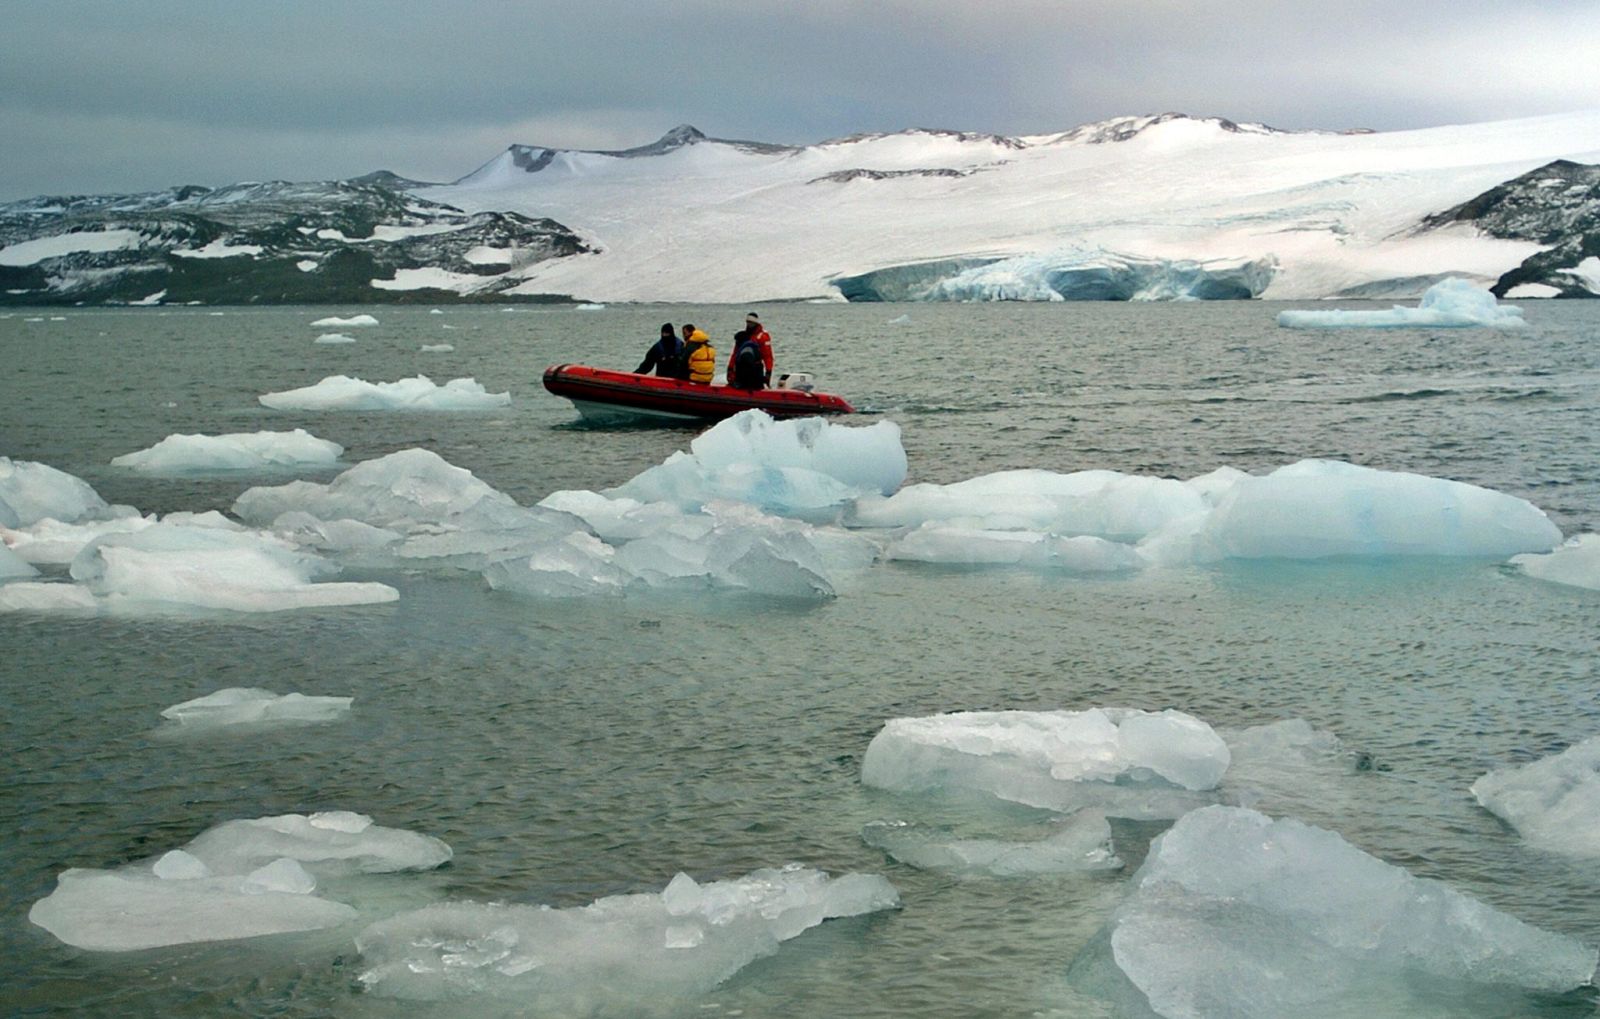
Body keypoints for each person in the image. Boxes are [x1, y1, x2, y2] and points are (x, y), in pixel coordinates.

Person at [726, 311, 773, 390]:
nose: (748, 324)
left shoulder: (763, 337)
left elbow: (768, 356)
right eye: (747, 322)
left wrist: (768, 372)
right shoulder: (742, 336)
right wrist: (730, 368)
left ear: (755, 323)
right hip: (741, 369)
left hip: (755, 370)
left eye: (751, 322)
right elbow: (735, 354)